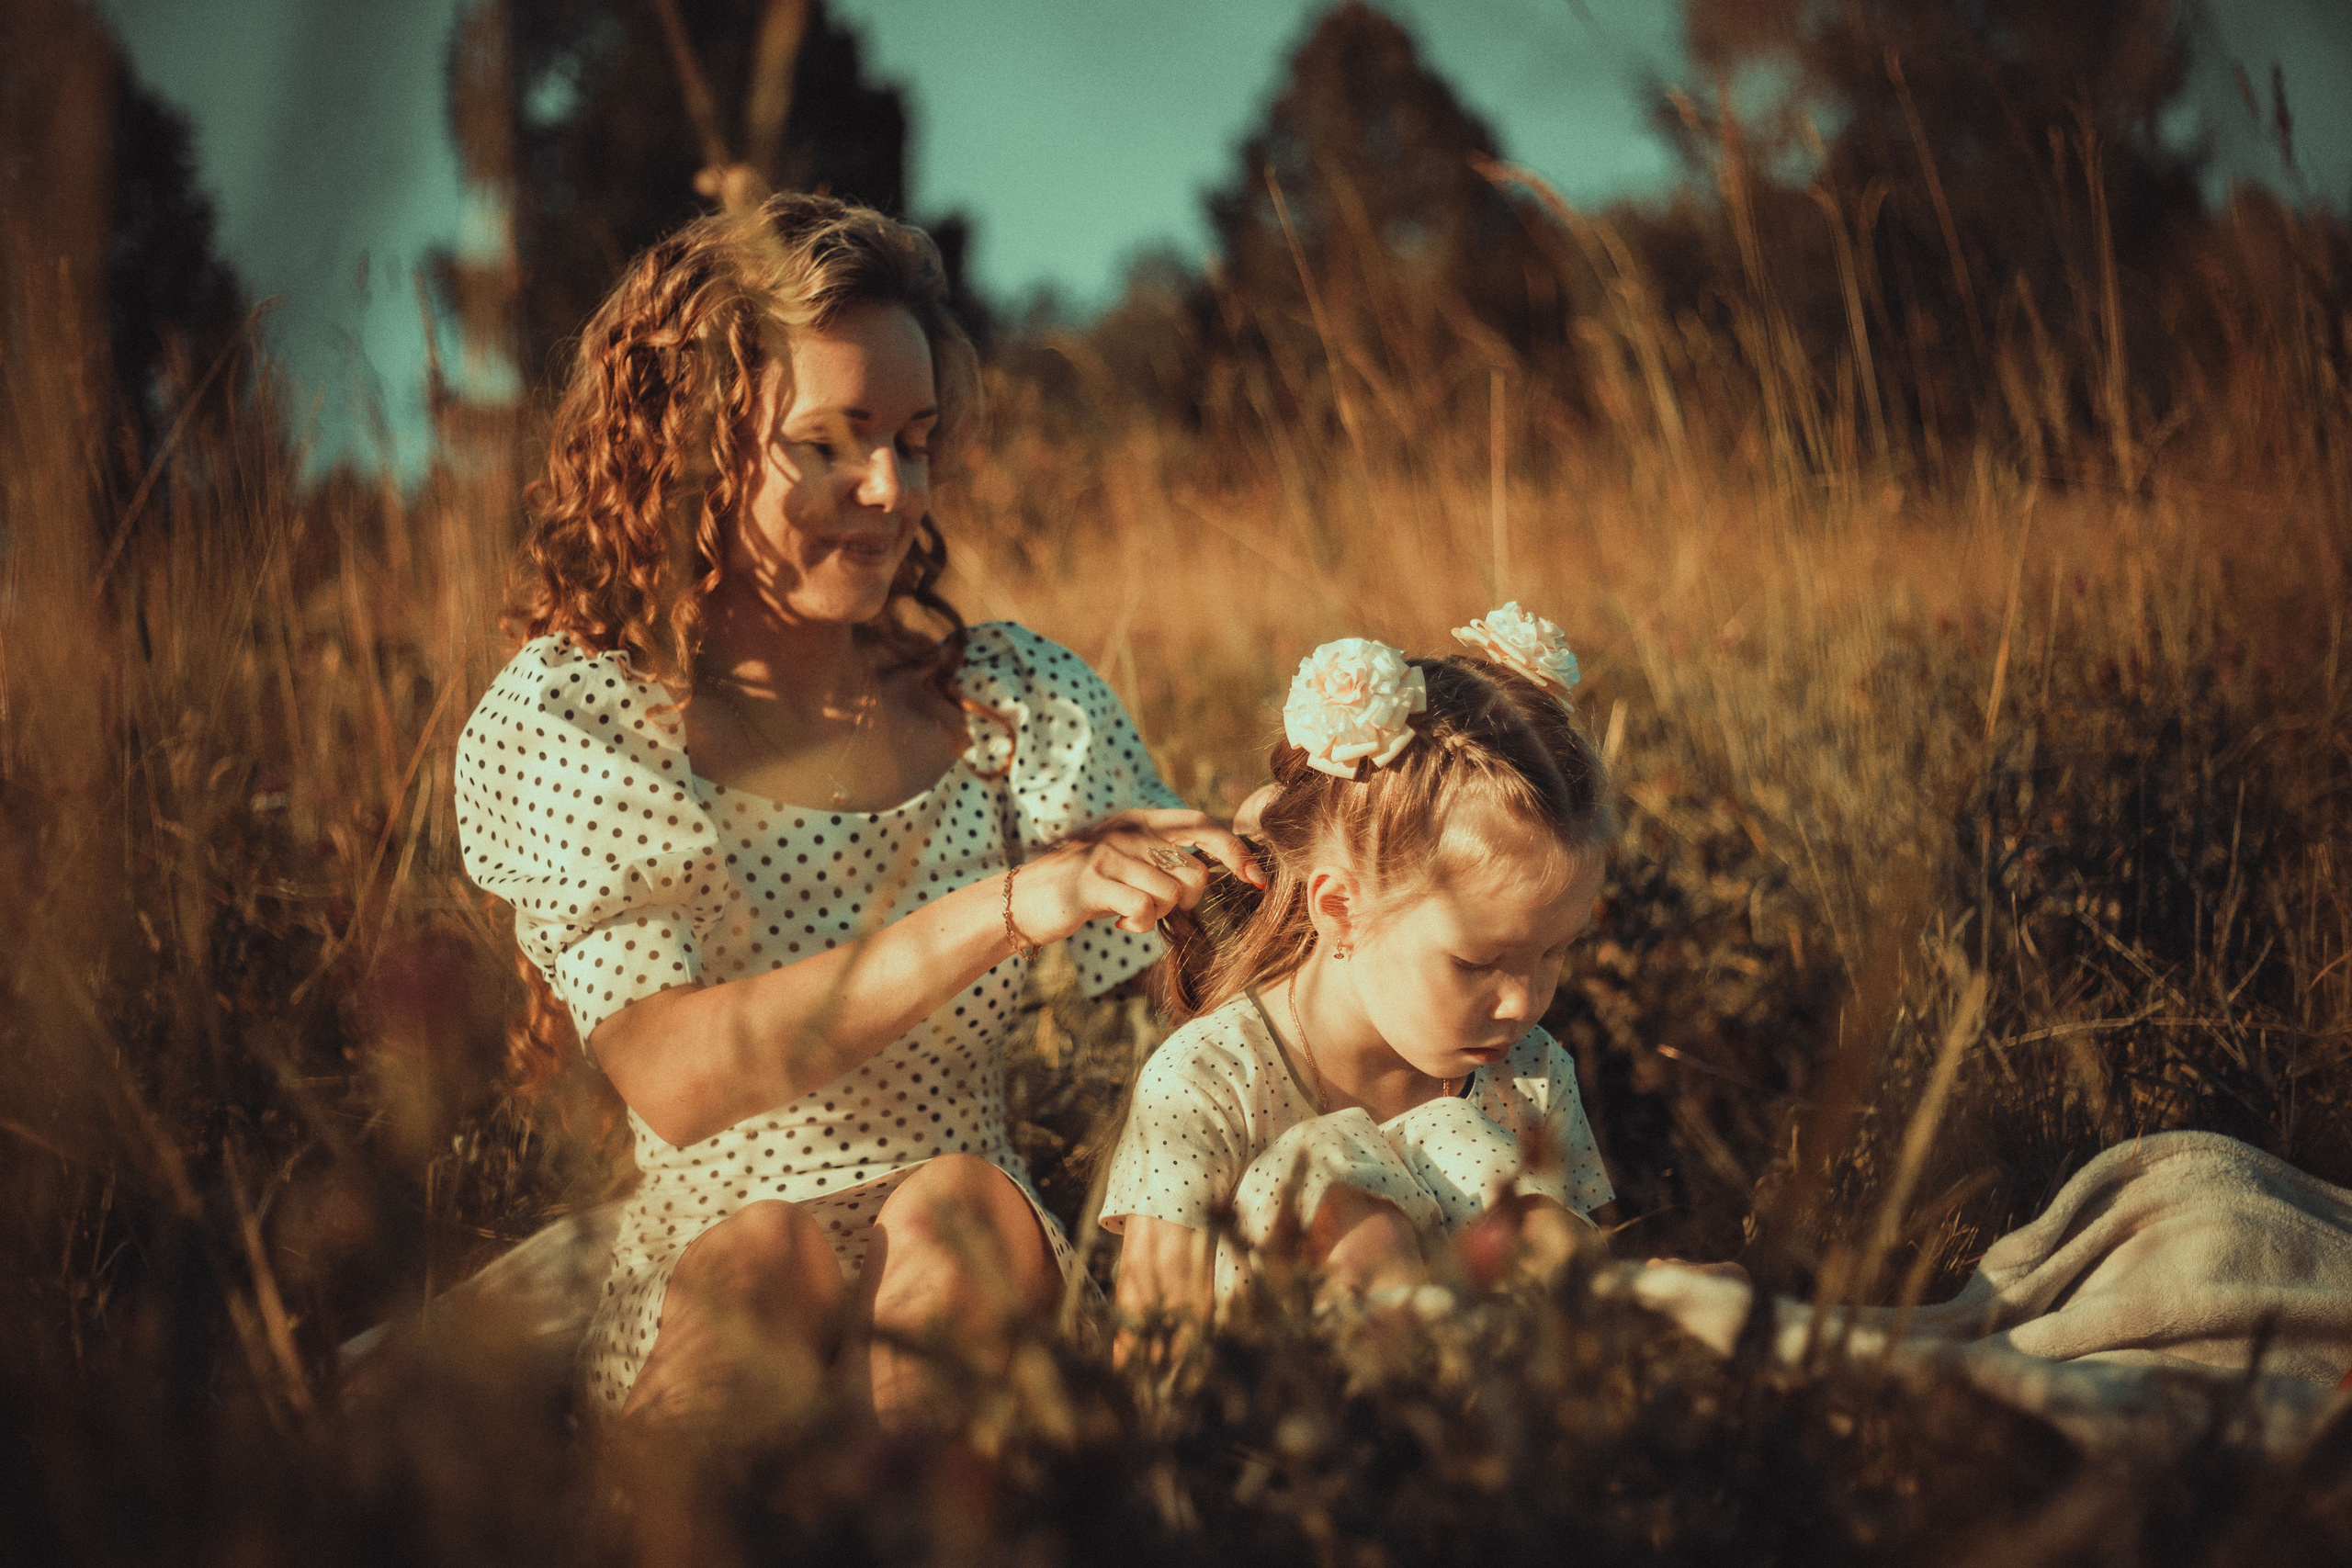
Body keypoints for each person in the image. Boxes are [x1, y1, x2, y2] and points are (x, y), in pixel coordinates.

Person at [451, 194, 1259, 1424]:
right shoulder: (588, 716)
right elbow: (673, 1071)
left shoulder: (1009, 699)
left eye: (916, 438)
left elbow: (1202, 988)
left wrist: (1286, 862)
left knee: (962, 1207)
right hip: (715, 1248)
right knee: (762, 1252)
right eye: (833, 440)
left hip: (970, 1261)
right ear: (690, 442)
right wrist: (1003, 905)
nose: (891, 487)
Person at [1102, 608, 1616, 1320]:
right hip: (1286, 1411)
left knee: (1471, 1148)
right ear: (1339, 909)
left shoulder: (1528, 1073)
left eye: (1556, 952)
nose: (1522, 1002)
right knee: (1326, 1163)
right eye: (1475, 963)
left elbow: (1581, 1280)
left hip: (1510, 1403)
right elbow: (1154, 1353)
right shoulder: (1207, 1084)